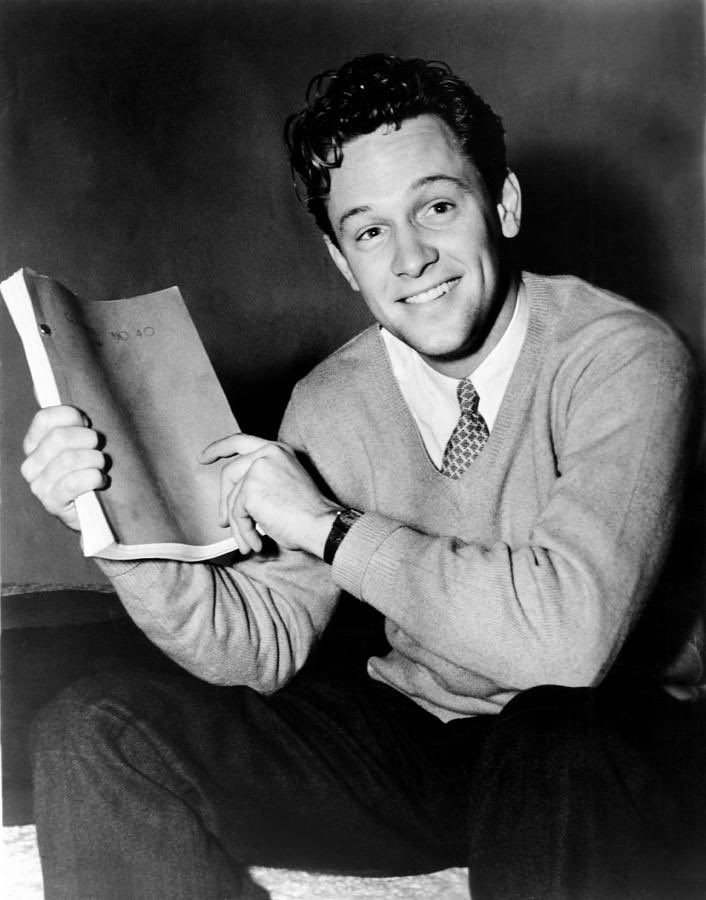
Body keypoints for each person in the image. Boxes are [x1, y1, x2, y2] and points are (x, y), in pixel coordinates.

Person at [21, 53, 705, 900]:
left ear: (505, 204)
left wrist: (328, 527)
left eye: (439, 207)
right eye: (371, 230)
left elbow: (570, 647)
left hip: (611, 738)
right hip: (422, 739)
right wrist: (121, 529)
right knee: (97, 730)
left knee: (552, 731)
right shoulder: (334, 398)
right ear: (343, 260)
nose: (411, 257)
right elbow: (262, 645)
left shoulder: (624, 359)